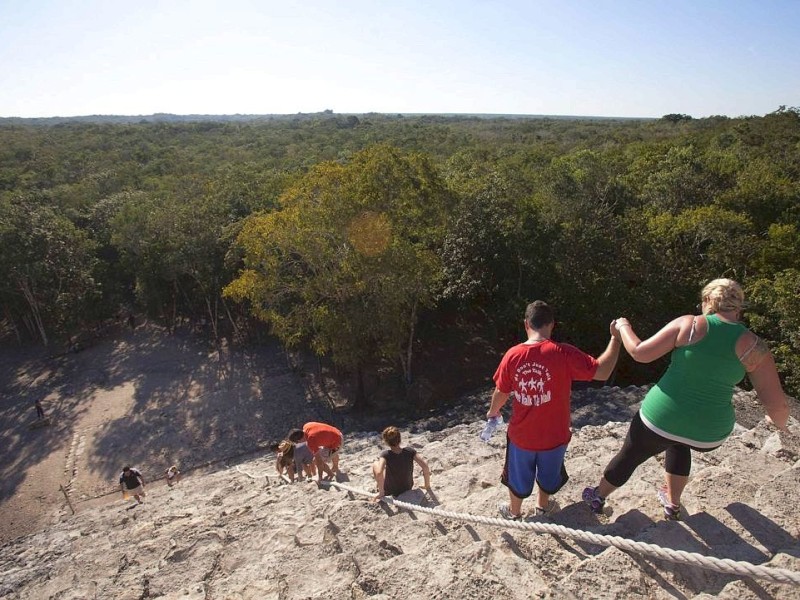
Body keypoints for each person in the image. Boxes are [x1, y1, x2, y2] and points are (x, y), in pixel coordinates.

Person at [583, 278, 790, 520]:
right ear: (738, 307)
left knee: (632, 452)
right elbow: (778, 407)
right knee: (679, 441)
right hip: (710, 433)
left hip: (660, 418)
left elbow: (640, 353)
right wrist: (779, 425)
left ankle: (598, 495)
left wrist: (622, 328)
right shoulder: (754, 346)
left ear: (707, 302)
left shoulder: (689, 325)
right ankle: (672, 503)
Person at [488, 300, 621, 520]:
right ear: (551, 325)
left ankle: (514, 513)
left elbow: (501, 392)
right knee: (549, 476)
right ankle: (543, 506)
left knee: (518, 479)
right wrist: (616, 338)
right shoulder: (563, 353)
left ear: (526, 324)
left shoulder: (512, 355)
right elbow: (603, 371)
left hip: (522, 436)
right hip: (555, 436)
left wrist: (493, 412)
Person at [372, 426, 431, 501]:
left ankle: (379, 488)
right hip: (407, 487)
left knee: (375, 464)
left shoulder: (385, 454)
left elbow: (379, 473)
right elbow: (425, 466)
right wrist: (427, 485)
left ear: (386, 441)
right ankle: (381, 485)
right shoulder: (410, 451)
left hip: (390, 490)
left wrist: (381, 493)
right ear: (400, 439)